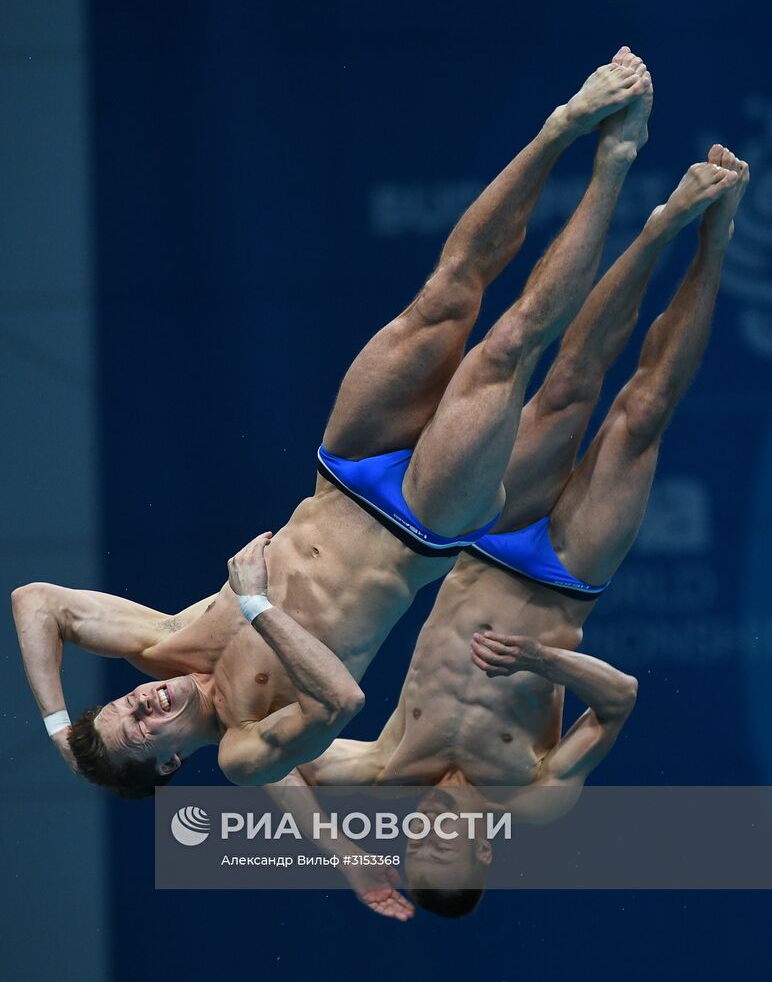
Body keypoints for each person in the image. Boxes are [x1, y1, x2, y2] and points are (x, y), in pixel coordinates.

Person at [12, 49, 653, 800]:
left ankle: (565, 125)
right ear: (166, 765)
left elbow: (37, 601)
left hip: (346, 473)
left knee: (444, 294)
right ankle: (616, 160)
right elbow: (340, 703)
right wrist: (253, 602)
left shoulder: (162, 646)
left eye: (124, 704)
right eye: (141, 730)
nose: (143, 704)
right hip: (417, 522)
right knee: (510, 345)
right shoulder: (246, 751)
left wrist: (60, 730)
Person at [283, 145, 750, 918]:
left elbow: (269, 769)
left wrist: (350, 863)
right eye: (442, 849)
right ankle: (716, 233)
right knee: (642, 412)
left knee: (568, 383)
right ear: (485, 849)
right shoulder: (533, 800)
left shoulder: (387, 766)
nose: (423, 835)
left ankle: (661, 226)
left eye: (411, 850)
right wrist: (540, 658)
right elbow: (620, 701)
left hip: (487, 546)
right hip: (567, 578)